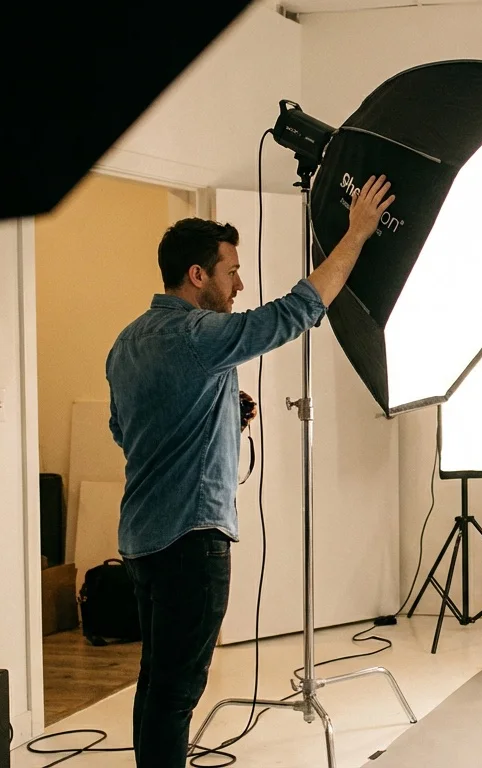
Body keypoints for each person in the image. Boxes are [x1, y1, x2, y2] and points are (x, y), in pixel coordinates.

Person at [105, 175, 394, 767]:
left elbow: (125, 430)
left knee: (157, 683)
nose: (239, 283)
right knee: (178, 693)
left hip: (140, 540)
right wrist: (357, 232)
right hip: (191, 540)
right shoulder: (196, 335)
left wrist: (218, 419)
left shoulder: (127, 341)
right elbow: (296, 311)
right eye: (231, 270)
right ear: (197, 275)